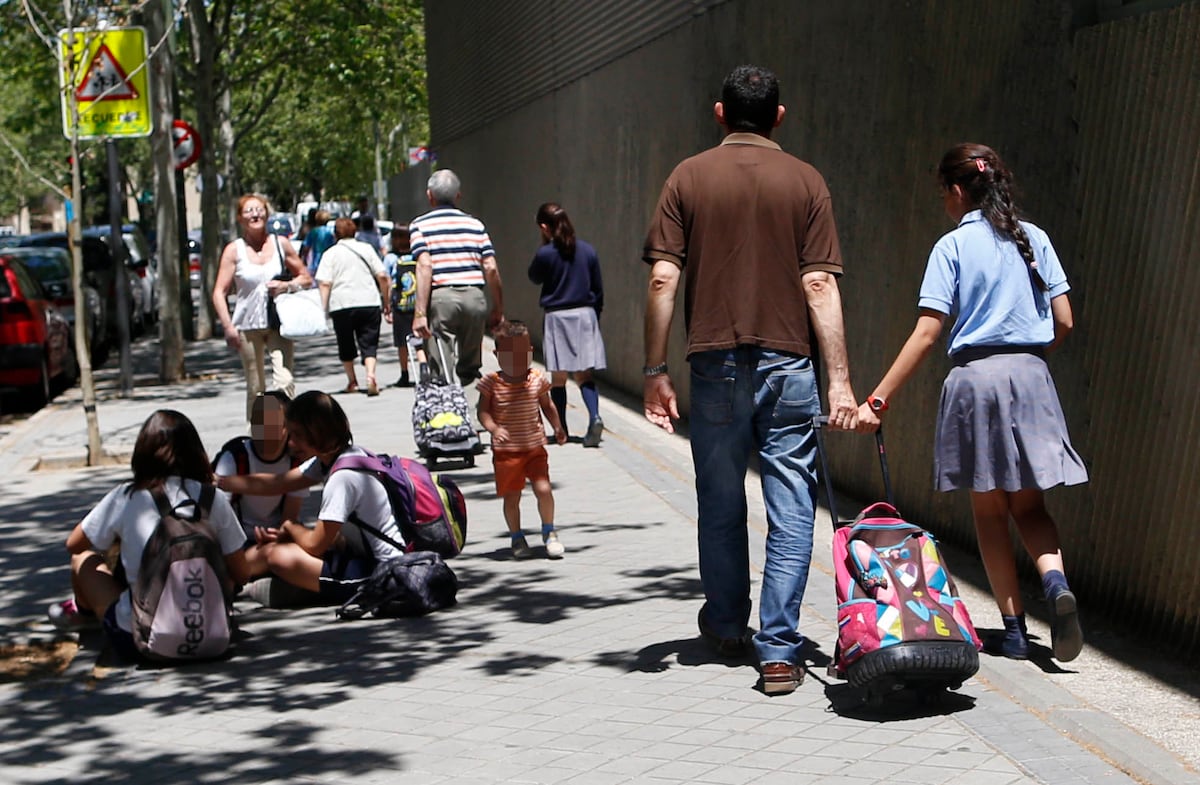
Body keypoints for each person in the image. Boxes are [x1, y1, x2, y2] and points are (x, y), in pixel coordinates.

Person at [641, 64, 860, 696]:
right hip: (789, 365)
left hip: (712, 364)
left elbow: (662, 278)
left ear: (719, 113)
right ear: (779, 117)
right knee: (792, 507)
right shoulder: (807, 181)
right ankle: (781, 648)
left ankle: (730, 625)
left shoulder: (687, 176)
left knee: (721, 499)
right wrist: (839, 382)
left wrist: (655, 369)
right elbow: (819, 284)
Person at [856, 143, 1087, 663]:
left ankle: (1014, 631)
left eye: (944, 193)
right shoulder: (1035, 239)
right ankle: (1054, 582)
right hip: (1031, 376)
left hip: (976, 380)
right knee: (1030, 505)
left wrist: (879, 398)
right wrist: (1028, 358)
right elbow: (1065, 318)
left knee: (989, 509)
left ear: (957, 191)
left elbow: (927, 332)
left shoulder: (951, 247)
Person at [46, 411, 250, 661]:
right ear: (196, 451)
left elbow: (73, 544)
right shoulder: (212, 498)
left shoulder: (126, 496)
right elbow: (242, 574)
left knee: (83, 558)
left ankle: (86, 615)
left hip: (140, 642)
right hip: (213, 639)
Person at [253, 391, 406, 604]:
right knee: (277, 549)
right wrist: (220, 481)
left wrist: (289, 527)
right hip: (366, 558)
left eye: (297, 435)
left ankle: (300, 590)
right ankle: (235, 579)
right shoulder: (347, 456)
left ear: (316, 433)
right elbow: (279, 482)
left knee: (276, 556)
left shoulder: (342, 478)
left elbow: (316, 545)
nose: (290, 443)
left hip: (384, 572)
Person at [213, 194, 311, 424]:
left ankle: (288, 433)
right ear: (240, 218)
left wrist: (287, 285)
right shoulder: (233, 250)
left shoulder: (281, 244)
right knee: (256, 387)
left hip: (279, 323)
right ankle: (256, 438)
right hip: (247, 326)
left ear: (267, 214)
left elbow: (306, 277)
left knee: (284, 381)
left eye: (259, 210)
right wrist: (228, 326)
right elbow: (219, 291)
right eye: (249, 211)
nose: (255, 214)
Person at [477, 320, 567, 560]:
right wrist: (493, 428)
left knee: (544, 489)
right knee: (512, 495)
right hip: (506, 452)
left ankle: (549, 532)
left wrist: (557, 426)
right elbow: (482, 412)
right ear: (497, 355)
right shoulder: (491, 383)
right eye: (510, 355)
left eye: (522, 354)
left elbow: (547, 405)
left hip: (534, 447)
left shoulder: (536, 378)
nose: (517, 361)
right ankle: (517, 537)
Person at [410, 169, 505, 387]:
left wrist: (420, 313)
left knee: (441, 366)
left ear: (429, 195)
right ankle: (473, 413)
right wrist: (498, 307)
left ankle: (447, 415)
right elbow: (490, 267)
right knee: (470, 368)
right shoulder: (475, 225)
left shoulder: (420, 226)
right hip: (474, 298)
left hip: (441, 300)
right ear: (458, 196)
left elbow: (424, 265)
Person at [528, 202, 607, 448]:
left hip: (557, 316)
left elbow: (534, 277)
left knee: (558, 377)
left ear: (543, 227)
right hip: (585, 315)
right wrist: (595, 316)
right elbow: (598, 289)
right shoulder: (587, 250)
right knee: (584, 375)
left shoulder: (546, 254)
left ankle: (561, 429)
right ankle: (594, 416)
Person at [212, 391, 307, 579]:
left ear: (286, 428)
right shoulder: (235, 458)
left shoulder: (296, 462)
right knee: (274, 555)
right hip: (236, 546)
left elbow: (290, 517)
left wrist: (280, 534)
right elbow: (219, 520)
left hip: (274, 539)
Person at [316, 217, 392, 396]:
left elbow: (325, 283)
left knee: (345, 343)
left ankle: (352, 381)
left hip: (341, 304)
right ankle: (371, 375)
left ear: (335, 234)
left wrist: (323, 309)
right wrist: (386, 301)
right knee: (369, 342)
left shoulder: (330, 254)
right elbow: (382, 276)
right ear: (354, 232)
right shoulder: (366, 249)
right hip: (369, 301)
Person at [383, 225, 417, 387]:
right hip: (418, 304)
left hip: (401, 305)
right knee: (420, 338)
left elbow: (388, 282)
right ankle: (423, 368)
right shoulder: (418, 255)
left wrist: (387, 305)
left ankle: (404, 373)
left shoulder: (391, 258)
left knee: (402, 342)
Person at [301, 209, 335, 276]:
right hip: (328, 260)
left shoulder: (313, 231)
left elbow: (306, 247)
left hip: (316, 260)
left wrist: (304, 259)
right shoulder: (330, 232)